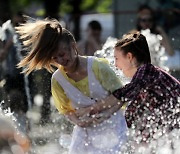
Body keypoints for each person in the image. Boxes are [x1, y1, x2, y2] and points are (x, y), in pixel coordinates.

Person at [16, 18, 127, 154]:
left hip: (113, 126)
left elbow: (121, 94)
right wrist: (78, 122)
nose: (60, 61)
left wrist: (95, 110)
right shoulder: (57, 80)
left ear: (73, 46)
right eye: (55, 58)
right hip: (84, 132)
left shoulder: (98, 67)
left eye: (62, 54)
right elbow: (65, 110)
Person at [76, 31, 180, 143]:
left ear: (129, 57)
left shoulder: (146, 71)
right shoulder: (145, 79)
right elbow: (131, 110)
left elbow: (123, 94)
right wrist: (106, 116)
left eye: (116, 58)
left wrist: (90, 109)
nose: (115, 65)